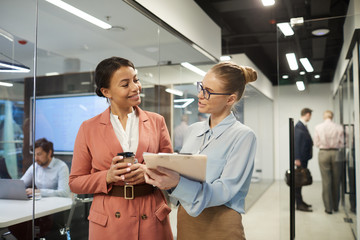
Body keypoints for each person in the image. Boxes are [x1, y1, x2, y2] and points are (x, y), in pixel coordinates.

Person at [144, 61, 257, 240]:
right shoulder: (193, 130)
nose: (200, 95)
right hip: (186, 217)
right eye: (201, 88)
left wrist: (177, 183)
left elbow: (225, 189)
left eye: (208, 92)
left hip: (220, 221)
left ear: (230, 99)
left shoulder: (243, 136)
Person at [69, 57, 173, 240]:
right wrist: (106, 177)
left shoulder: (157, 121)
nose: (135, 87)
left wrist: (148, 172)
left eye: (136, 79)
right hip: (108, 219)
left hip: (151, 213)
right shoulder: (88, 128)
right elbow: (75, 182)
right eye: (125, 84)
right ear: (106, 91)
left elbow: (172, 170)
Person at [8, 138, 70, 240]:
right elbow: (21, 183)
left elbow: (64, 192)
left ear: (49, 153)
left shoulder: (61, 167)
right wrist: (14, 189)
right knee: (18, 222)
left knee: (29, 223)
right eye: (34, 155)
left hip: (55, 211)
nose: (36, 158)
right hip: (38, 207)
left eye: (39, 154)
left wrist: (39, 192)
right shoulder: (35, 166)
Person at [314, 110, 344, 214]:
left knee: (326, 181)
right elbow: (342, 143)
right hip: (336, 153)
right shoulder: (339, 127)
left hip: (323, 153)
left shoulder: (318, 127)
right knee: (336, 180)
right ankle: (336, 206)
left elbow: (316, 143)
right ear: (332, 116)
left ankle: (328, 208)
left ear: (324, 116)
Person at [294, 108, 313, 212]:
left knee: (300, 180)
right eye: (310, 115)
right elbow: (296, 143)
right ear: (307, 114)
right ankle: (299, 204)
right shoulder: (298, 126)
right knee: (299, 181)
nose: (310, 117)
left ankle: (300, 202)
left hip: (303, 158)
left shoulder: (303, 126)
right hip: (300, 159)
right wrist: (297, 158)